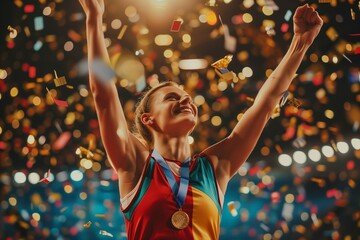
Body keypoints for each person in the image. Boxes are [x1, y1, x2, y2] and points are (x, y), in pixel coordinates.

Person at [78, 0, 323, 239]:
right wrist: (94, 17)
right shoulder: (136, 164)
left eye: (188, 98)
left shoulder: (215, 168)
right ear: (148, 119)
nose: (187, 102)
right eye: (172, 98)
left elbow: (266, 103)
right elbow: (103, 95)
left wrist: (300, 42)